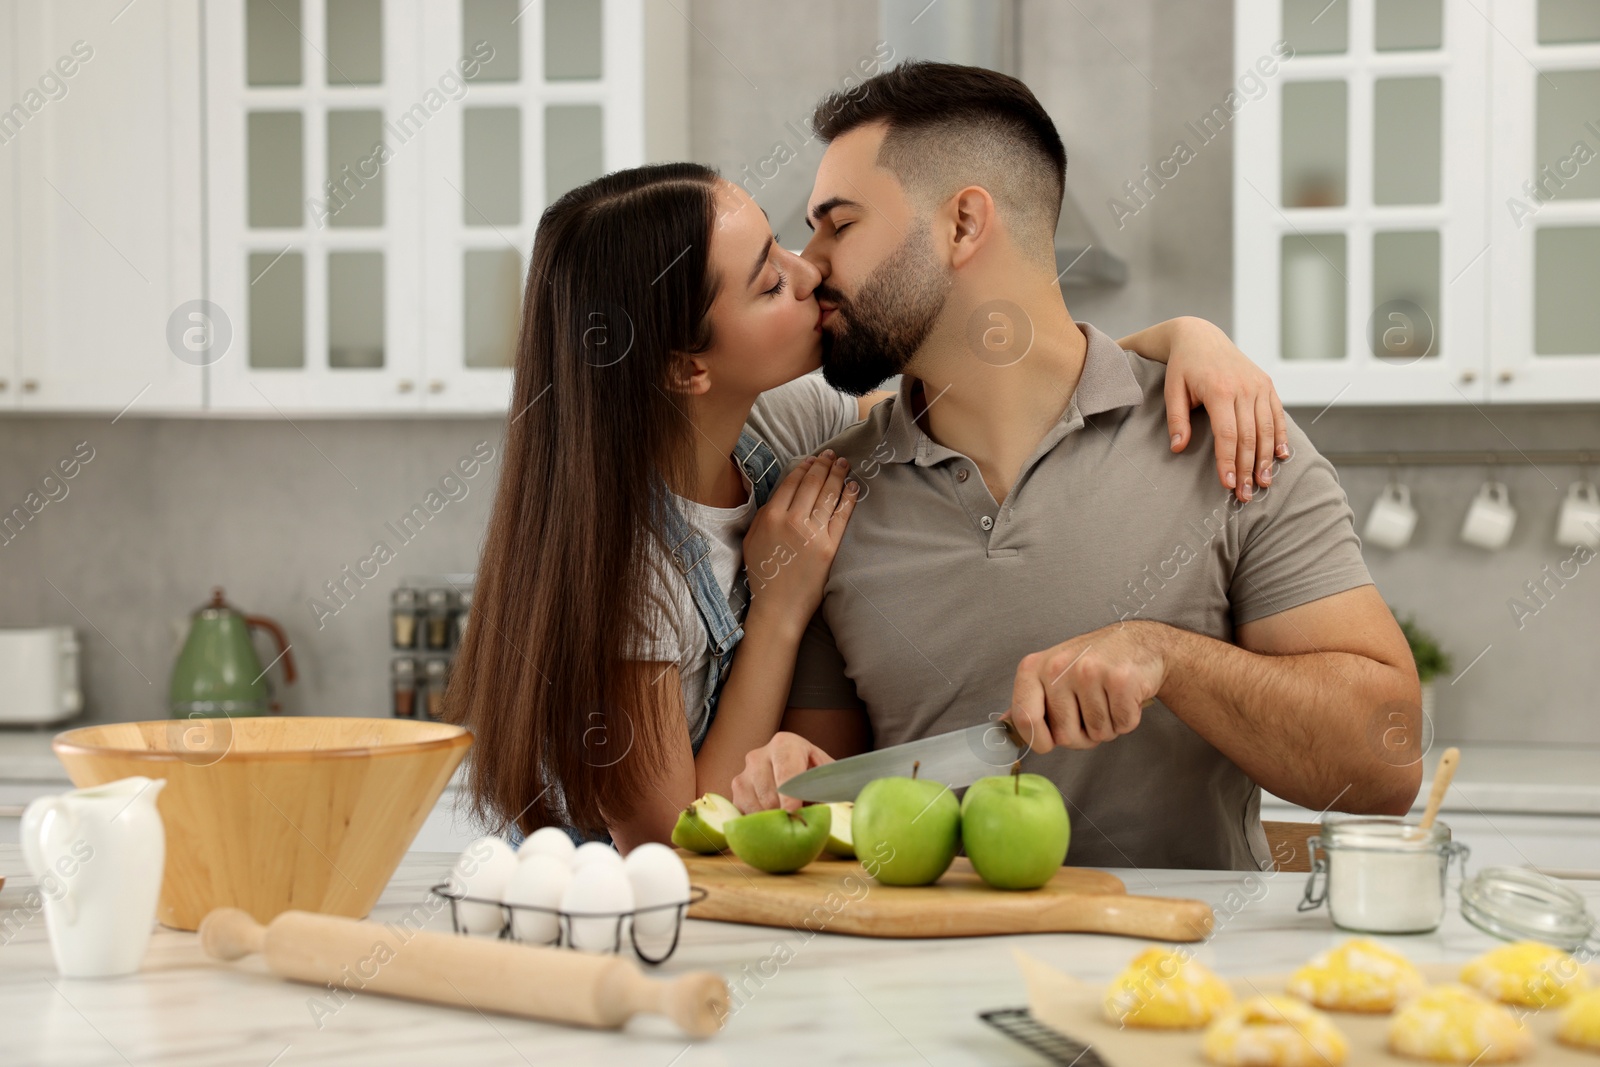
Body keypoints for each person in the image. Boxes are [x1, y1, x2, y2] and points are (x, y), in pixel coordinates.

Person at [445, 159, 1293, 853]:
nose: (809, 269)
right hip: (636, 931)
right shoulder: (630, 568)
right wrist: (781, 604)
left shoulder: (776, 426)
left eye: (788, 245)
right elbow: (678, 839)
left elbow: (1000, 383)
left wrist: (1183, 340)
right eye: (768, 283)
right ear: (686, 369)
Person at [731, 62, 1423, 871]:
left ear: (962, 225)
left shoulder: (1226, 436)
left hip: (1180, 986)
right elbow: (829, 801)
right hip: (917, 981)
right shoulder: (826, 502)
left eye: (838, 225)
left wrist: (1169, 657)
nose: (808, 265)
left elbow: (1389, 761)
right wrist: (790, 777)